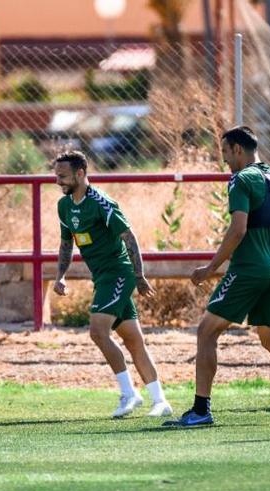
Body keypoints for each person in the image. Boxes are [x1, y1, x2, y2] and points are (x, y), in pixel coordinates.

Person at [168, 126, 270, 427]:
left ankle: (201, 410)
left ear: (238, 150)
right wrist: (267, 247)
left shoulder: (240, 180)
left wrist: (210, 268)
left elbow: (238, 229)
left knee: (206, 332)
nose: (225, 160)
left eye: (225, 152)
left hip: (248, 269)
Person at [52, 150, 172, 418]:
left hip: (118, 274)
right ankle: (160, 401)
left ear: (80, 173)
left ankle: (129, 394)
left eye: (62, 176)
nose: (58, 180)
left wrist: (139, 277)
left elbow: (130, 237)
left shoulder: (102, 203)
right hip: (102, 277)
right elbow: (66, 243)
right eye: (56, 175)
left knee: (97, 331)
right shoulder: (64, 206)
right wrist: (61, 275)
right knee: (133, 340)